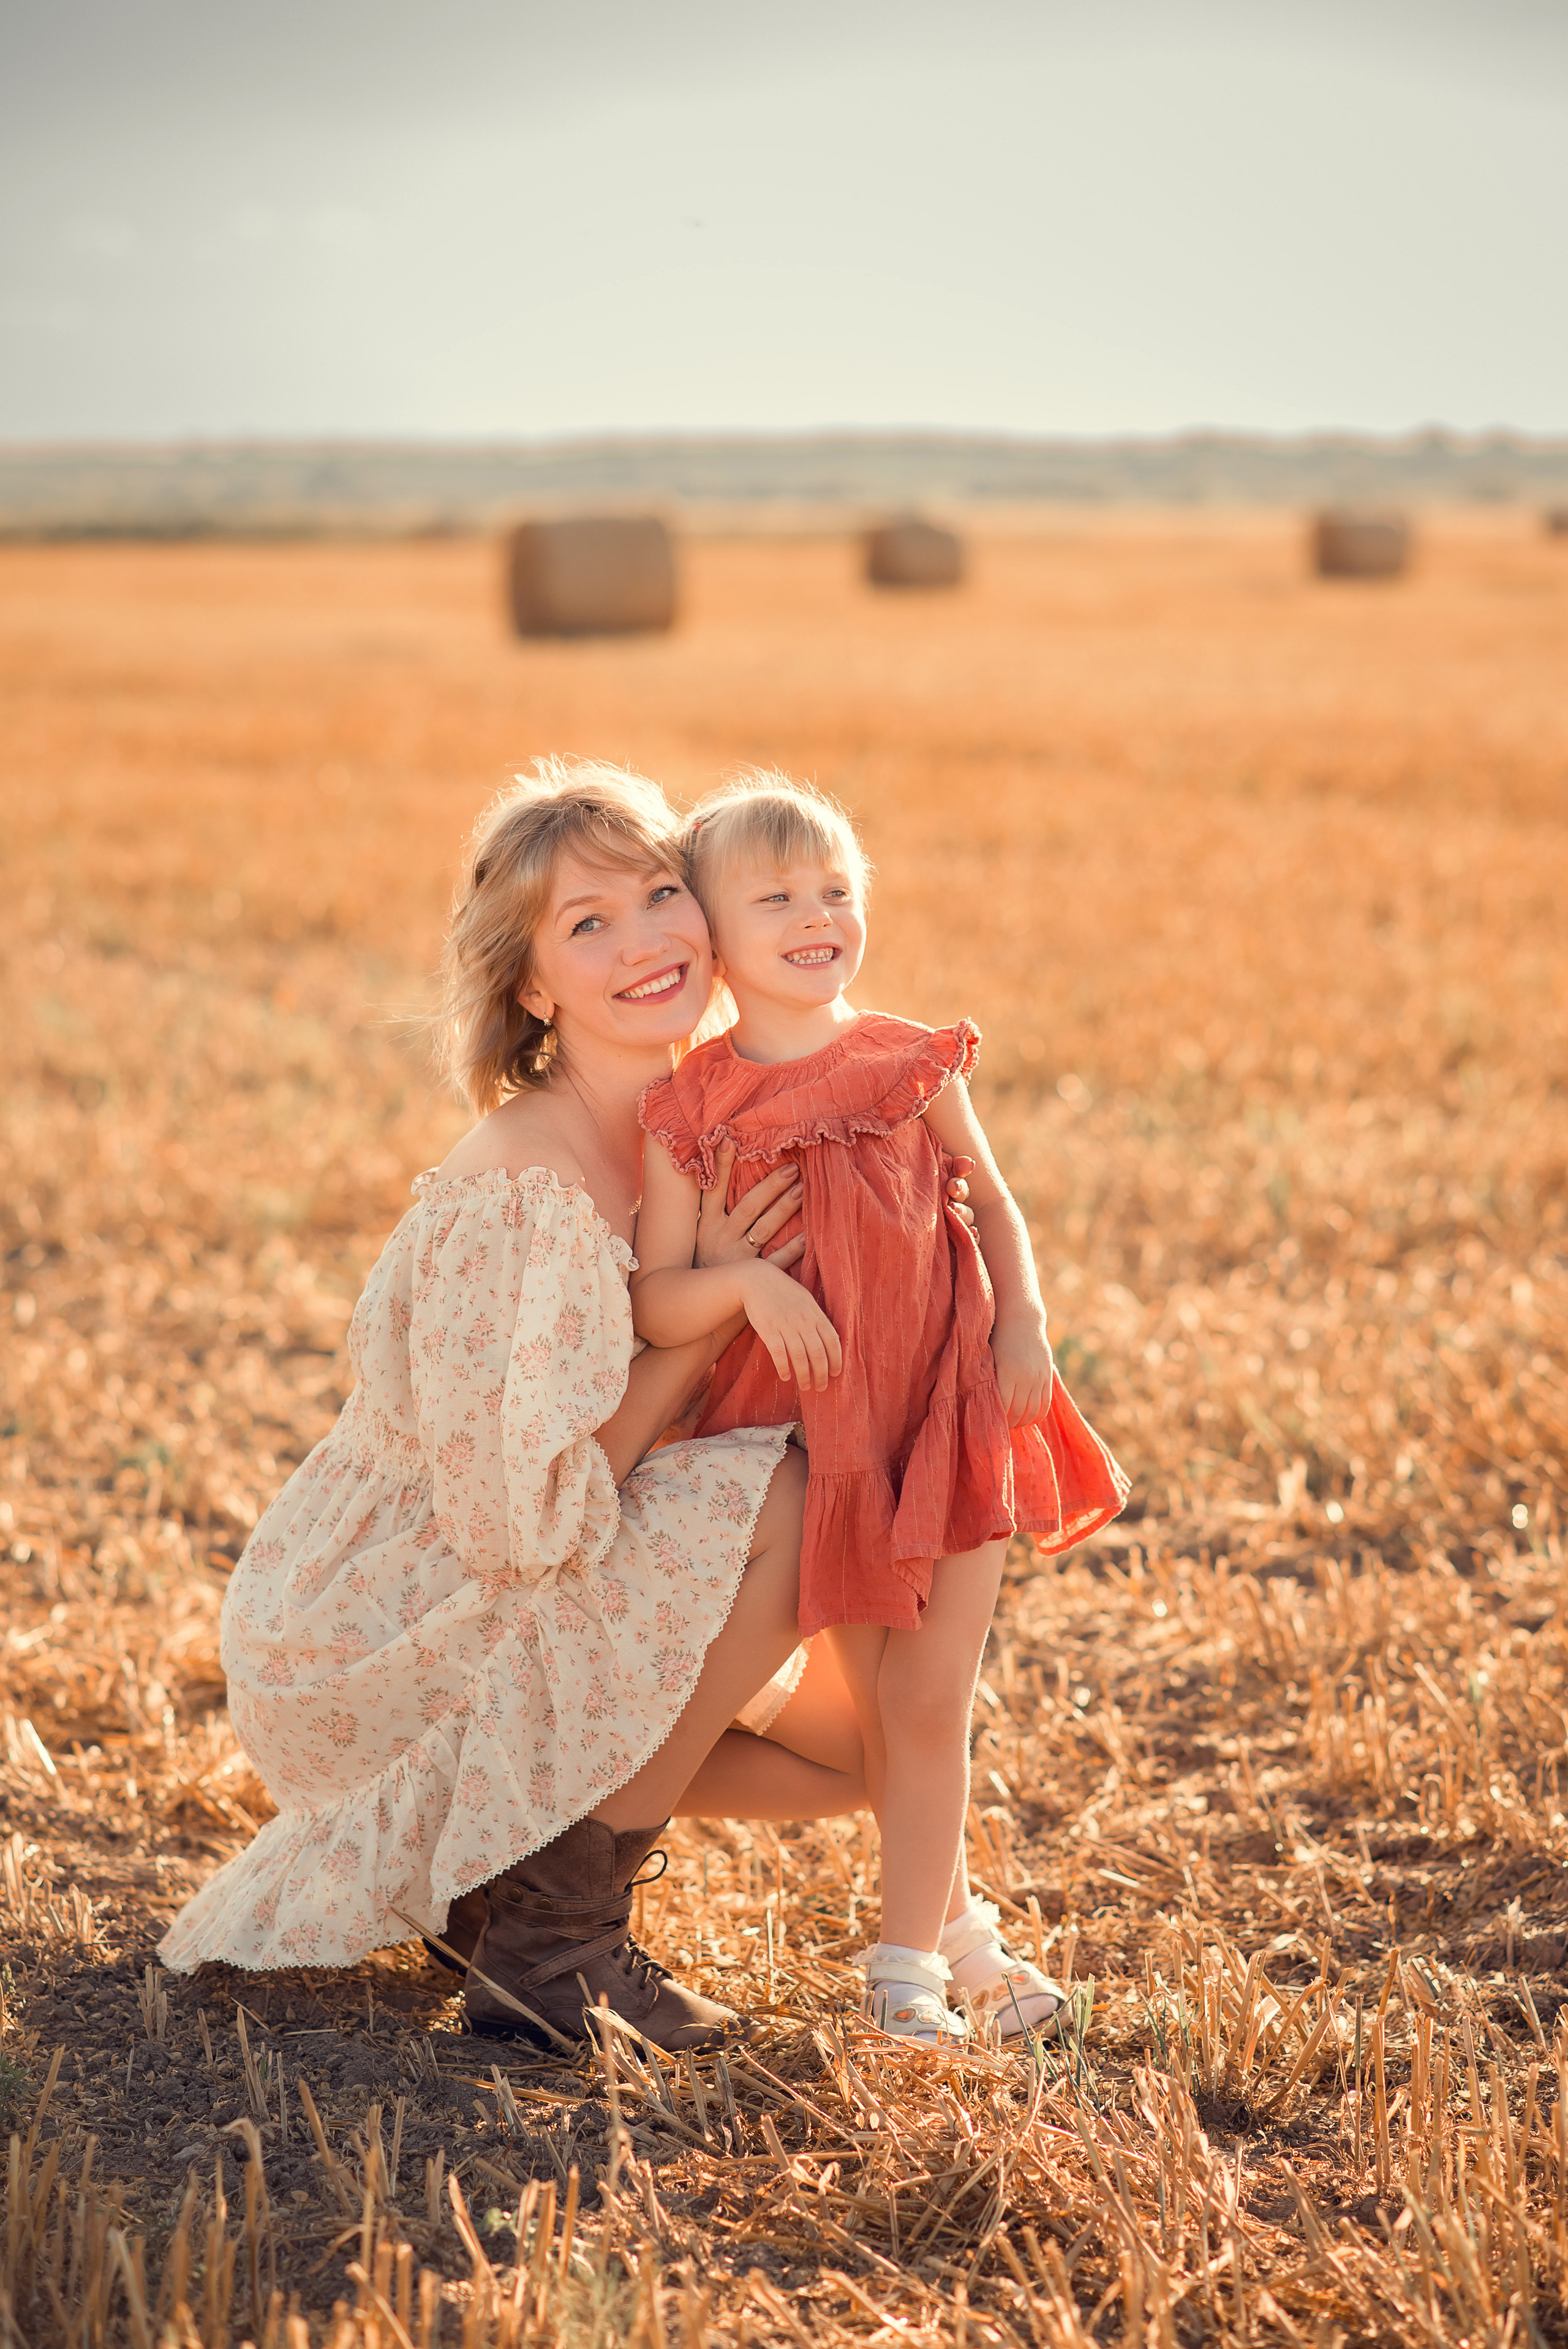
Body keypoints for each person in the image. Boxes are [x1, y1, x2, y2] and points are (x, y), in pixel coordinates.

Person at [154, 760, 962, 2054]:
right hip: (388, 1601)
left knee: (860, 1758)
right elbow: (519, 1514)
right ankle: (553, 1939)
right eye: (588, 926)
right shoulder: (522, 1182)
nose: (645, 940)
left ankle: (498, 1871)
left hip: (525, 1543)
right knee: (784, 1488)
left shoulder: (708, 1117)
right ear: (531, 988)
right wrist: (711, 1314)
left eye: (658, 895)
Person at [631, 773, 1129, 2045]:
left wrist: (1023, 1324)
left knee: (932, 1697)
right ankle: (960, 1938)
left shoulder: (908, 1059)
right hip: (819, 1448)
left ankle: (906, 1966)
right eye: (777, 896)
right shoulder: (691, 1106)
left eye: (838, 891)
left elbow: (995, 1202)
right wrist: (740, 1283)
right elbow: (657, 1297)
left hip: (949, 1407)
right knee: (884, 1712)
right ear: (711, 937)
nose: (817, 914)